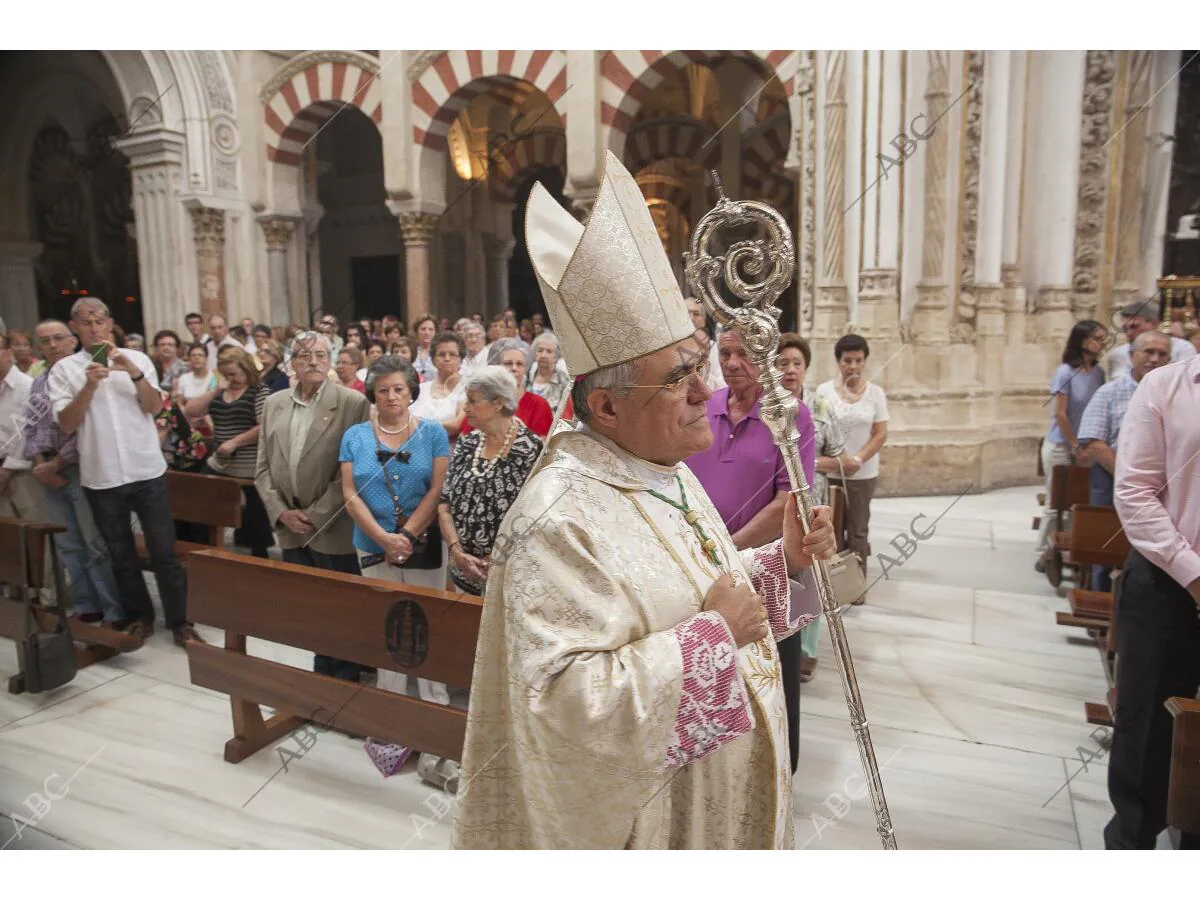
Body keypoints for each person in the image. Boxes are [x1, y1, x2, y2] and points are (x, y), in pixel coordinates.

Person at [453, 150, 834, 850]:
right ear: (606, 406)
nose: (706, 391)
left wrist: (787, 564)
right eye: (678, 377)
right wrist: (713, 639)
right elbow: (562, 713)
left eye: (701, 366)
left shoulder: (665, 466)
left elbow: (704, 591)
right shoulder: (556, 519)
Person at [685, 327, 816, 776]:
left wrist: (728, 545)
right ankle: (724, 773)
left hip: (773, 567)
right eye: (726, 352)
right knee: (722, 669)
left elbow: (789, 500)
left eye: (745, 353)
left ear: (766, 357)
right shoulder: (706, 406)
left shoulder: (791, 414)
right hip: (708, 569)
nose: (734, 361)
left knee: (775, 675)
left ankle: (778, 770)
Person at [49, 298, 200, 647]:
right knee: (120, 553)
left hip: (146, 469)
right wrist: (88, 385)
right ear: (74, 328)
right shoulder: (64, 370)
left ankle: (181, 621)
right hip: (101, 475)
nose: (94, 328)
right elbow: (67, 424)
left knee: (164, 551)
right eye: (86, 322)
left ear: (110, 323)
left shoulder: (138, 359)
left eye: (100, 320)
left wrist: (131, 371)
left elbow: (154, 406)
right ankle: (139, 617)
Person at [1104, 351, 1200, 851]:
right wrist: (1194, 575)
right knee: (1146, 733)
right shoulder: (1166, 387)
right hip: (1168, 582)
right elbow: (1136, 490)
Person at [339, 356, 452, 776]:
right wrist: (383, 538)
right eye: (383, 389)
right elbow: (350, 493)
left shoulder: (433, 433)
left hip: (422, 546)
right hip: (371, 544)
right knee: (388, 630)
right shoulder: (354, 436)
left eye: (399, 389)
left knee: (426, 629)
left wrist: (407, 534)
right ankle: (391, 726)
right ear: (372, 393)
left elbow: (439, 487)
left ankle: (436, 725)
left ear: (411, 392)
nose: (391, 397)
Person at [256, 332, 369, 679]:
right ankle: (321, 676)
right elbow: (262, 468)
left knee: (340, 606)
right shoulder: (274, 403)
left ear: (331, 360)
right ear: (292, 363)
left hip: (332, 526)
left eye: (321, 354)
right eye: (305, 356)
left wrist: (315, 515)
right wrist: (281, 513)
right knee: (309, 605)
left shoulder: (351, 403)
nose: (314, 361)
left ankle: (345, 681)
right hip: (290, 528)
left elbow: (352, 470)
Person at [19, 319, 122, 624]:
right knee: (68, 543)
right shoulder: (39, 381)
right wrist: (39, 464)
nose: (51, 346)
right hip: (46, 470)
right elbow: (31, 426)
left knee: (94, 542)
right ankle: (86, 605)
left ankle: (114, 609)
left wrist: (57, 464)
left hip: (78, 466)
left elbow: (87, 429)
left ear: (72, 340)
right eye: (44, 341)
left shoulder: (86, 375)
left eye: (57, 338)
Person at [776, 332, 850, 682]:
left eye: (796, 364)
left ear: (805, 368)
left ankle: (807, 650)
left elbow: (840, 457)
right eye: (782, 363)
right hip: (776, 507)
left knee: (813, 576)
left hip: (813, 503)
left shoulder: (820, 408)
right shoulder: (766, 408)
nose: (790, 370)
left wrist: (808, 463)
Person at [1077, 330, 1170, 591]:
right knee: (1104, 551)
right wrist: (1131, 479)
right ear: (1132, 356)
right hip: (1112, 484)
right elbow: (1094, 443)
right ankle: (1101, 608)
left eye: (1162, 354)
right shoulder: (1109, 393)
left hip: (1161, 491)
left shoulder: (1174, 397)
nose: (1154, 359)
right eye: (1148, 352)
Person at [438, 365, 543, 596]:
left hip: (509, 576)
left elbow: (537, 516)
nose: (465, 407)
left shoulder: (530, 450)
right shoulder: (467, 444)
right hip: (462, 571)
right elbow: (444, 505)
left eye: (472, 401)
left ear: (498, 403)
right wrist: (456, 551)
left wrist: (495, 557)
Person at [184, 347, 273, 558]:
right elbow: (190, 411)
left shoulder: (258, 390)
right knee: (199, 497)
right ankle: (205, 546)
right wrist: (215, 390)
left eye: (235, 374)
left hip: (249, 464)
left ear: (246, 369)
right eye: (226, 374)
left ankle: (259, 558)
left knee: (255, 517)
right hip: (220, 461)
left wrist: (235, 442)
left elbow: (264, 426)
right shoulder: (220, 390)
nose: (231, 379)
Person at [1034, 319, 1108, 571]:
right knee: (1056, 503)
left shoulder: (1098, 373)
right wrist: (1075, 444)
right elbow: (1061, 414)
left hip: (1086, 447)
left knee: (1078, 504)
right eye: (1096, 338)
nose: (1101, 343)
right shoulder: (1065, 372)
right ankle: (1044, 552)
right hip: (1061, 445)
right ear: (1082, 340)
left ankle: (1069, 552)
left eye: (1103, 338)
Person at [817, 334, 889, 572]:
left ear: (865, 361)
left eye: (859, 360)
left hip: (862, 474)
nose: (853, 366)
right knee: (831, 529)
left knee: (858, 530)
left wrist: (858, 459)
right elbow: (817, 429)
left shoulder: (876, 393)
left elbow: (880, 434)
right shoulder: (823, 392)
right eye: (848, 360)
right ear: (839, 361)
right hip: (831, 473)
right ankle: (833, 586)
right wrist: (836, 462)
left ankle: (856, 585)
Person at [458, 338, 553, 439]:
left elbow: (543, 448)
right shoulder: (480, 402)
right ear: (494, 367)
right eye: (508, 363)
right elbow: (464, 439)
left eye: (519, 364)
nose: (514, 368)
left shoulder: (539, 405)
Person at [0, 333, 39, 521]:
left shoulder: (28, 386)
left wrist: (7, 470)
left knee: (34, 533)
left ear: (8, 353)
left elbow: (28, 430)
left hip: (22, 470)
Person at [1105, 301, 1195, 381]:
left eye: (1134, 326)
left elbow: (1185, 380)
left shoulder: (1183, 348)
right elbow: (1120, 383)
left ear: (1154, 323)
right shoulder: (1119, 353)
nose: (1129, 333)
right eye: (1125, 329)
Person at [411, 331, 466, 438]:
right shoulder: (421, 389)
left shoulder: (467, 389)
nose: (447, 358)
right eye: (441, 354)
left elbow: (455, 426)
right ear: (433, 359)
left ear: (461, 359)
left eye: (453, 354)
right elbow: (407, 422)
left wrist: (420, 425)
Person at [686, 297, 725, 391]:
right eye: (687, 313)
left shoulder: (715, 347)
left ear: (704, 319)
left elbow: (721, 381)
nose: (691, 318)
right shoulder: (670, 348)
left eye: (696, 314)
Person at [526, 331, 571, 412]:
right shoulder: (527, 376)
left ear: (556, 357)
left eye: (549, 351)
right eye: (540, 350)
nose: (543, 355)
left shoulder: (564, 381)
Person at [411, 315, 438, 381]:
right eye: (423, 329)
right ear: (416, 332)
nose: (427, 333)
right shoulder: (411, 351)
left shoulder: (440, 352)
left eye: (430, 329)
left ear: (435, 332)